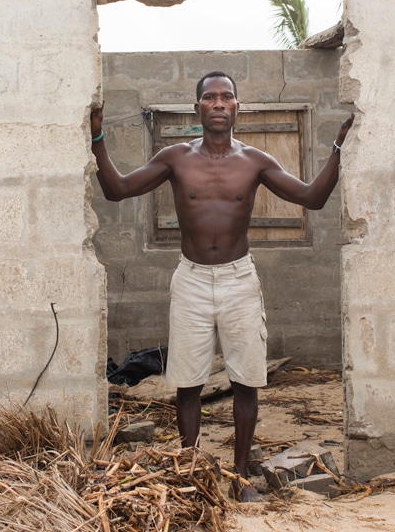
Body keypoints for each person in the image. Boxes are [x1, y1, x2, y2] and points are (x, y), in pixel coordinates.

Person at [90, 71, 353, 501]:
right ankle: (192, 474)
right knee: (188, 383)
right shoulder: (176, 158)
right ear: (197, 108)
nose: (217, 103)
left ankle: (240, 478)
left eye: (226, 97)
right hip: (191, 279)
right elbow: (117, 190)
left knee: (246, 381)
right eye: (209, 97)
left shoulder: (255, 161)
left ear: (237, 107)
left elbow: (312, 198)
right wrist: (98, 139)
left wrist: (338, 147)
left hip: (238, 280)